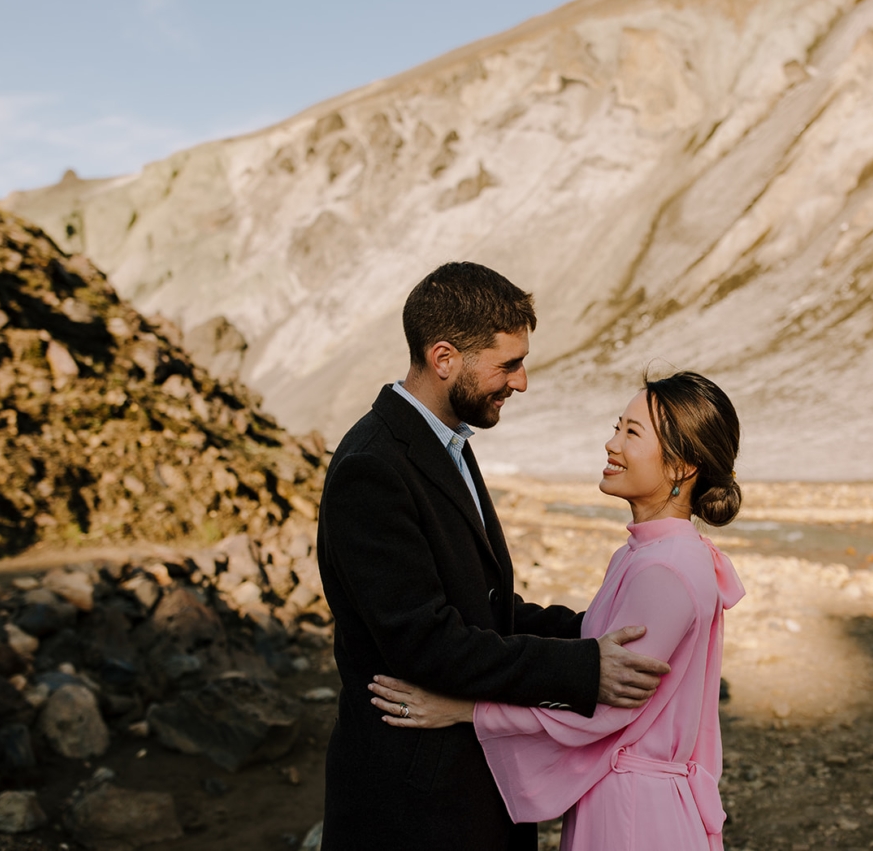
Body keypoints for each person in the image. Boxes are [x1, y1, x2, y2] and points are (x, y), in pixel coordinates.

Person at [316, 261, 673, 851]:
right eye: (508, 364)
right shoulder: (372, 468)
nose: (523, 381)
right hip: (412, 801)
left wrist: (593, 630)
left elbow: (483, 607)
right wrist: (584, 669)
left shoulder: (447, 442)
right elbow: (426, 643)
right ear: (445, 358)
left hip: (461, 780)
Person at [370, 371, 747, 851]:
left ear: (681, 467)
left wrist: (466, 710)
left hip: (634, 818)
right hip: (630, 800)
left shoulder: (665, 568)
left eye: (632, 433)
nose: (611, 444)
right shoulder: (651, 553)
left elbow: (605, 712)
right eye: (617, 426)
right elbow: (596, 657)